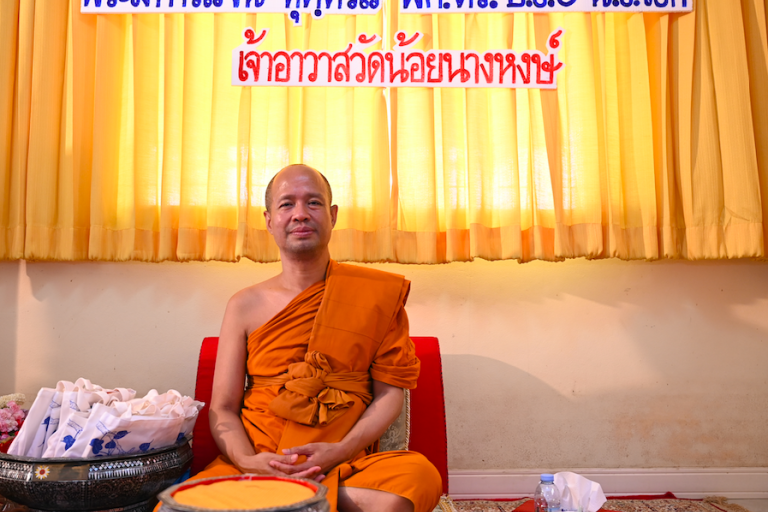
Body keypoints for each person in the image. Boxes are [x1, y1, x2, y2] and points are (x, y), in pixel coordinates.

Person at [190, 164, 442, 512]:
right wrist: (248, 462)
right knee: (175, 507)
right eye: (286, 204)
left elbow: (389, 394)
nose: (300, 214)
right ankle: (300, 498)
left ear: (333, 215)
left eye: (313, 202)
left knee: (418, 479)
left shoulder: (375, 295)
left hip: (343, 462)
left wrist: (341, 451)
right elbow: (223, 408)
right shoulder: (244, 305)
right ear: (269, 220)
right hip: (261, 461)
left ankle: (289, 499)